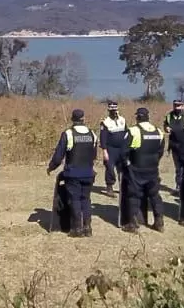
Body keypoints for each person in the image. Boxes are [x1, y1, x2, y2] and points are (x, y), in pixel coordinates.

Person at [46, 108, 97, 237]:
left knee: (74, 199)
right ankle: (88, 227)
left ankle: (77, 229)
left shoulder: (68, 134)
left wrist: (51, 167)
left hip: (73, 173)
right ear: (83, 119)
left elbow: (59, 156)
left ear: (72, 119)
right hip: (89, 173)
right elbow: (94, 155)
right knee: (86, 199)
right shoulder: (92, 134)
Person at [119, 107, 166, 233]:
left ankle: (133, 223)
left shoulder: (134, 131)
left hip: (136, 169)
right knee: (155, 195)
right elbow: (160, 151)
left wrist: (126, 164)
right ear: (148, 117)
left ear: (137, 117)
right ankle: (159, 221)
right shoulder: (158, 132)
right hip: (152, 169)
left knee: (133, 195)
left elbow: (123, 152)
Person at [98, 101, 128, 195]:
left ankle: (123, 187)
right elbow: (103, 138)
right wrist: (104, 151)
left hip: (122, 149)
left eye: (115, 109)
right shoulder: (105, 122)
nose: (113, 111)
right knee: (110, 168)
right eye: (111, 109)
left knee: (122, 169)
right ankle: (109, 187)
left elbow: (127, 133)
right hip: (110, 149)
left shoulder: (122, 120)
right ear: (108, 110)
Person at [163, 99, 184, 196]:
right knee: (178, 168)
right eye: (175, 105)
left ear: (183, 106)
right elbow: (165, 124)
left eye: (179, 105)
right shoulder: (169, 115)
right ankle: (178, 187)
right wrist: (166, 128)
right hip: (174, 145)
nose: (177, 107)